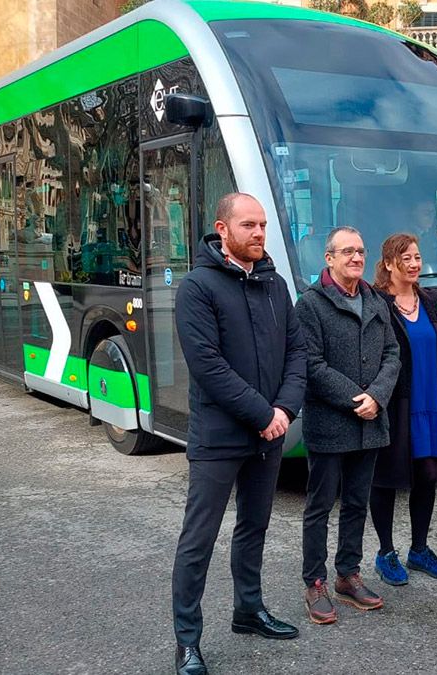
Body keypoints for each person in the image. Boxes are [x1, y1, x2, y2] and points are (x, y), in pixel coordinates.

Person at [171, 193, 308, 675]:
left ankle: (248, 610)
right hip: (219, 436)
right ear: (222, 229)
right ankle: (187, 642)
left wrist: (285, 409)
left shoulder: (274, 284)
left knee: (255, 526)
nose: (258, 233)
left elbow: (297, 352)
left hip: (268, 434)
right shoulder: (197, 287)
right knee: (199, 539)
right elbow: (207, 365)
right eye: (248, 224)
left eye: (263, 225)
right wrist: (263, 413)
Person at [295, 226, 401, 624]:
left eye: (360, 251)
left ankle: (348, 574)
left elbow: (392, 353)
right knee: (319, 506)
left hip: (370, 423)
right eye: (347, 252)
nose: (356, 258)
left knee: (357, 503)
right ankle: (314, 582)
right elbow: (311, 364)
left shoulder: (374, 299)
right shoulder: (310, 304)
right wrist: (359, 399)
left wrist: (378, 396)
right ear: (329, 259)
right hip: (331, 423)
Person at [369, 233, 437, 587]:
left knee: (428, 474)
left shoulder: (430, 301)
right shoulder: (377, 303)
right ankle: (385, 552)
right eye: (406, 258)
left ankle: (419, 549)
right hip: (396, 403)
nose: (414, 264)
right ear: (389, 263)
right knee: (387, 477)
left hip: (430, 402)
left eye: (417, 257)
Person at [412, 201, 437, 267]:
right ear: (414, 213)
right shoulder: (404, 237)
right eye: (426, 213)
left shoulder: (434, 238)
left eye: (433, 213)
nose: (431, 216)